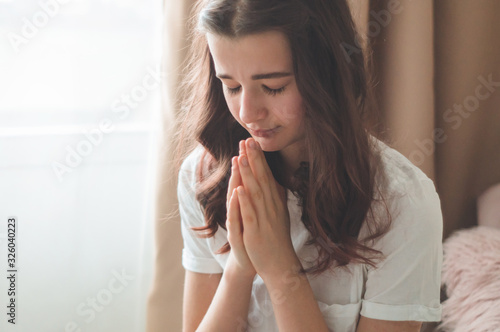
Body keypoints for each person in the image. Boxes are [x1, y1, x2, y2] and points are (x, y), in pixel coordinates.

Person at [173, 0, 443, 331]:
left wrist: (282, 272)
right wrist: (240, 267)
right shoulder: (204, 176)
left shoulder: (401, 205)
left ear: (328, 73)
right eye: (232, 86)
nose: (247, 112)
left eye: (274, 87)